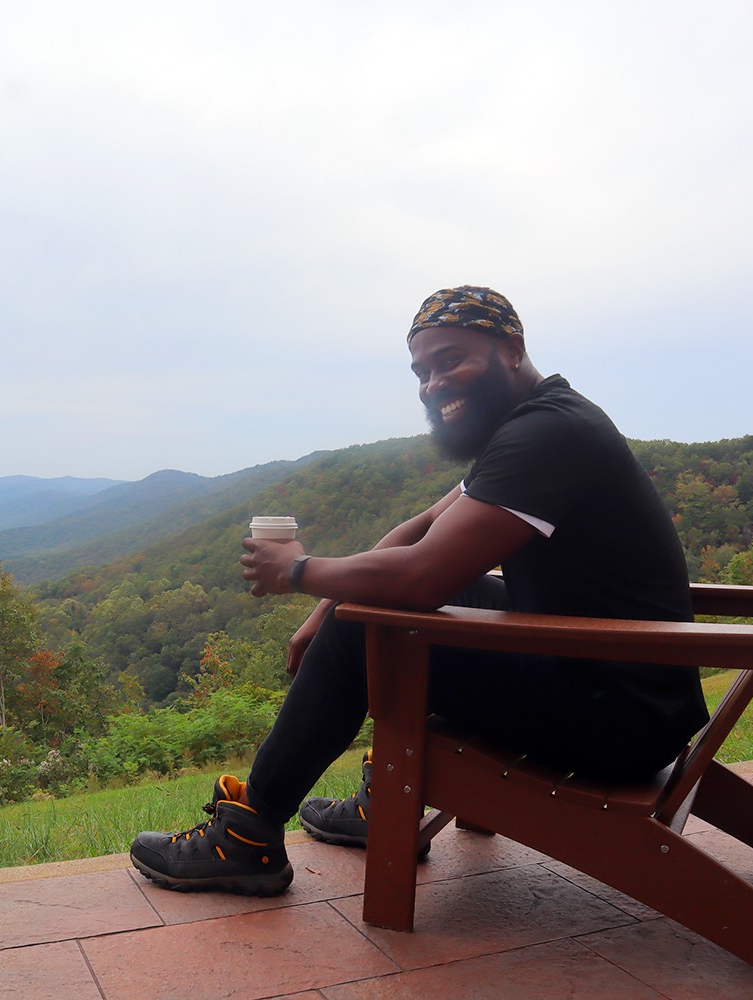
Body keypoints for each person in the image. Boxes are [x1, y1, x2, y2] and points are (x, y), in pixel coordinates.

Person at [129, 286, 708, 896]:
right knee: (397, 602)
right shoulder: (532, 424)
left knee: (376, 621)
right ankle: (382, 802)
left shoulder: (548, 435)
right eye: (422, 371)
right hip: (608, 680)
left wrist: (298, 573)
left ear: (510, 349)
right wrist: (324, 610)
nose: (433, 384)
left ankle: (247, 836)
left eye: (451, 359)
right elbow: (421, 529)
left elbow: (422, 573)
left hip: (619, 719)